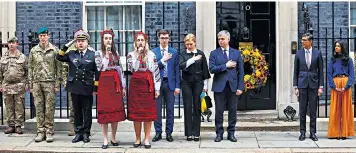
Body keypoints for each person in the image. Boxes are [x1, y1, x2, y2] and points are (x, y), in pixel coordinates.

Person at [56, 29, 99, 143]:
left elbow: (97, 72)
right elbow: (59, 56)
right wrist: (68, 44)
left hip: (87, 87)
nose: (80, 43)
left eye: (83, 41)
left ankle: (86, 133)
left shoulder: (93, 54)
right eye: (78, 41)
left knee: (87, 111)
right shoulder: (71, 54)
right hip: (74, 87)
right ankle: (78, 132)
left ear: (87, 42)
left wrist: (95, 87)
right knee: (76, 111)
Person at [209, 30, 244, 142]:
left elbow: (241, 71)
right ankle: (219, 133)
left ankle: (231, 133)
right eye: (219, 39)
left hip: (233, 86)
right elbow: (212, 69)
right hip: (219, 86)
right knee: (219, 111)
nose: (220, 41)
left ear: (228, 39)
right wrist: (225, 65)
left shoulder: (236, 53)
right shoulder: (214, 53)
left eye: (223, 39)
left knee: (233, 110)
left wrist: (240, 87)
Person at [127, 31, 160, 149]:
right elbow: (132, 69)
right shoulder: (131, 55)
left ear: (146, 42)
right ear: (135, 42)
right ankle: (137, 138)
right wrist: (138, 55)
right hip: (136, 86)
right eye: (138, 40)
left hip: (147, 85)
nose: (140, 42)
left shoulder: (152, 55)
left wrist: (157, 89)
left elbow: (156, 73)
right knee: (137, 113)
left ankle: (146, 139)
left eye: (142, 40)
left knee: (147, 113)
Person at [94, 29, 126, 149]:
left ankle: (113, 137)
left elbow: (120, 70)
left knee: (115, 112)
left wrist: (123, 86)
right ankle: (105, 139)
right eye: (106, 38)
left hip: (114, 82)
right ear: (102, 40)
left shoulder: (116, 53)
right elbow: (100, 68)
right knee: (105, 112)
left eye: (110, 38)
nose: (108, 40)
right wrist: (106, 56)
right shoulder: (98, 53)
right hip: (104, 83)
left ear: (112, 41)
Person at [28, 27, 62, 143]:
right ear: (38, 37)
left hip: (50, 82)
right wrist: (31, 84)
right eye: (41, 36)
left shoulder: (54, 50)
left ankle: (49, 132)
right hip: (37, 83)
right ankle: (40, 132)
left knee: (49, 108)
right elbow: (30, 68)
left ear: (48, 36)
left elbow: (59, 68)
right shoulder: (33, 51)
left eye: (44, 35)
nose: (43, 38)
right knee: (39, 108)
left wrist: (57, 84)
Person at [179, 33, 210, 141]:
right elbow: (181, 66)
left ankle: (196, 133)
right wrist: (193, 59)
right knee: (188, 106)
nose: (189, 46)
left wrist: (205, 86)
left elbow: (205, 70)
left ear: (195, 43)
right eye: (187, 44)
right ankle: (189, 133)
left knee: (197, 106)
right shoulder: (183, 53)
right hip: (186, 82)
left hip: (198, 82)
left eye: (191, 44)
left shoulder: (201, 54)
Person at [293, 33, 324, 141]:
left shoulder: (317, 53)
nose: (302, 42)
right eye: (302, 40)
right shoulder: (298, 54)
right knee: (302, 110)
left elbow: (321, 71)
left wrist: (320, 86)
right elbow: (295, 71)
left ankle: (312, 132)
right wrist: (295, 87)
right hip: (302, 85)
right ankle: (302, 132)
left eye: (305, 40)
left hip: (313, 85)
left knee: (312, 110)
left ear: (310, 41)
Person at [152, 29, 180, 142]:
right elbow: (153, 68)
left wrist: (178, 86)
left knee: (170, 109)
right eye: (162, 38)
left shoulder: (174, 52)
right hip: (158, 83)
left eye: (166, 38)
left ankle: (169, 133)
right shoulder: (154, 52)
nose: (164, 40)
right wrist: (162, 60)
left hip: (170, 83)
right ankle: (158, 132)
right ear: (159, 38)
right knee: (157, 110)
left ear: (169, 39)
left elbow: (177, 70)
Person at [327, 40, 355, 140]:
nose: (336, 48)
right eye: (335, 46)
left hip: (345, 83)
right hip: (336, 83)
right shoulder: (332, 60)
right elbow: (329, 74)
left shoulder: (349, 60)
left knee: (346, 109)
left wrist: (346, 86)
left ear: (343, 47)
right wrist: (334, 86)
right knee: (335, 109)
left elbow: (352, 75)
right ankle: (335, 132)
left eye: (338, 46)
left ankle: (345, 132)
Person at [0, 36, 28, 135]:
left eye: (13, 42)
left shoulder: (22, 57)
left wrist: (26, 83)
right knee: (9, 107)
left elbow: (27, 71)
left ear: (17, 44)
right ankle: (11, 126)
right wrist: (1, 84)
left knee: (19, 106)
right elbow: (0, 72)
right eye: (10, 43)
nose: (11, 44)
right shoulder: (3, 57)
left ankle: (18, 126)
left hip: (19, 85)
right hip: (7, 85)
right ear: (8, 44)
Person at [62, 63, 75, 136]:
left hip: (83, 83)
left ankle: (84, 127)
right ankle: (73, 127)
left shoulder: (87, 52)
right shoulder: (69, 54)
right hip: (72, 84)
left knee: (83, 106)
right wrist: (65, 82)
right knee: (72, 106)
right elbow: (64, 70)